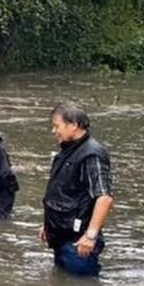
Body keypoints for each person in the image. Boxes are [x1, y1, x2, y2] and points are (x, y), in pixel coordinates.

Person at [39, 101, 114, 276]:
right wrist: (48, 225)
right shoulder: (67, 151)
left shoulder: (92, 154)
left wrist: (90, 236)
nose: (54, 131)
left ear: (73, 125)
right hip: (61, 236)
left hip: (78, 242)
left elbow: (104, 197)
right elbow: (61, 193)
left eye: (57, 126)